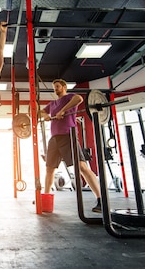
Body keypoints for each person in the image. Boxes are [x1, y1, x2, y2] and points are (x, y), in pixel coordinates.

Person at [40, 78, 102, 213]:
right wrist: (45, 115)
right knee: (49, 169)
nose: (55, 89)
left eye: (57, 86)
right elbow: (42, 111)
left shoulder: (70, 98)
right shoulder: (52, 103)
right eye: (54, 87)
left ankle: (100, 200)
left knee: (82, 167)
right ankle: (45, 198)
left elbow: (79, 99)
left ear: (63, 87)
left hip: (68, 135)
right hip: (54, 139)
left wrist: (62, 111)